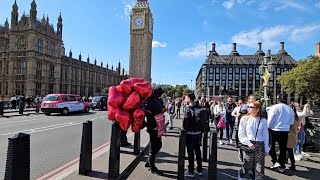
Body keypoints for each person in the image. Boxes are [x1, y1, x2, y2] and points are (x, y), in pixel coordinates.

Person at [238, 101, 270, 180]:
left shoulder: (263, 121)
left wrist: (266, 149)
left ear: (257, 109)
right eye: (248, 107)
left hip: (260, 144)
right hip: (250, 144)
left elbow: (265, 135)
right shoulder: (244, 119)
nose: (249, 108)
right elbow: (241, 134)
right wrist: (248, 143)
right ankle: (242, 175)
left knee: (260, 166)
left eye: (251, 107)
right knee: (248, 164)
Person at [268, 95, 294, 172]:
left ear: (277, 99)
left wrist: (269, 127)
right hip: (285, 130)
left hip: (274, 129)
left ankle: (275, 161)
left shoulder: (274, 107)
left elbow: (270, 119)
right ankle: (282, 165)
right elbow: (291, 122)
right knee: (283, 148)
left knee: (271, 146)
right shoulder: (290, 109)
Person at [143, 87, 166, 175]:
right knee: (154, 146)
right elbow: (153, 114)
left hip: (157, 126)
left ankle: (149, 161)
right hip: (153, 127)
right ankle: (152, 167)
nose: (161, 95)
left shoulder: (157, 100)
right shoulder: (152, 102)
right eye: (161, 93)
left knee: (158, 145)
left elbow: (162, 110)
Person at [183, 93, 203, 178]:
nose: (184, 99)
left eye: (186, 98)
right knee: (198, 151)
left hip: (190, 134)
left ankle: (190, 171)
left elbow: (186, 122)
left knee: (190, 152)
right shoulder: (200, 107)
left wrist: (184, 129)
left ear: (189, 99)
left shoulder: (188, 109)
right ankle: (199, 169)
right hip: (198, 133)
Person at [286, 102, 300, 171]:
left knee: (289, 149)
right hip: (294, 134)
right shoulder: (297, 116)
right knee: (289, 149)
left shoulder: (290, 117)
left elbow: (288, 125)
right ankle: (287, 160)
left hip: (289, 134)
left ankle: (292, 164)